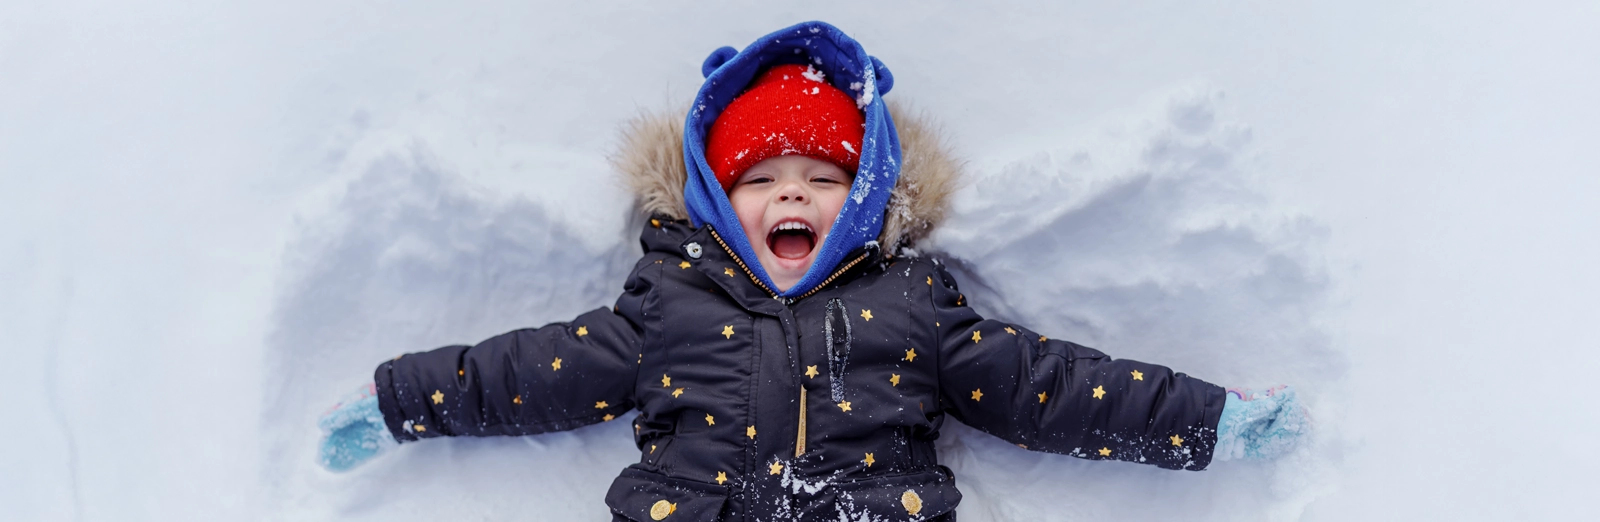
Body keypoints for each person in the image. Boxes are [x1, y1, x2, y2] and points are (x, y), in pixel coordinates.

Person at [314, 21, 1309, 521]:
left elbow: (1048, 388)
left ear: (867, 195)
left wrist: (1202, 419)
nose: (790, 196)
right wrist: (405, 399)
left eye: (823, 176)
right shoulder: (666, 305)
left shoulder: (914, 306)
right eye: (760, 178)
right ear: (712, 200)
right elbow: (532, 370)